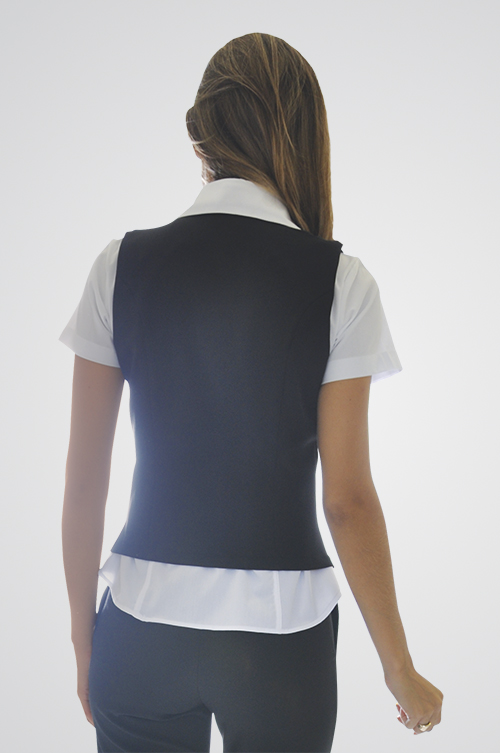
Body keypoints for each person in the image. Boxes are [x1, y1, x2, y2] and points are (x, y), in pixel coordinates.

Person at [61, 32, 443, 753]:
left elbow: (84, 481)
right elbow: (347, 500)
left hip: (138, 629)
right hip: (279, 643)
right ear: (303, 134)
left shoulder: (119, 266)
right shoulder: (341, 281)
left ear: (201, 135)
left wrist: (86, 642)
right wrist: (400, 669)